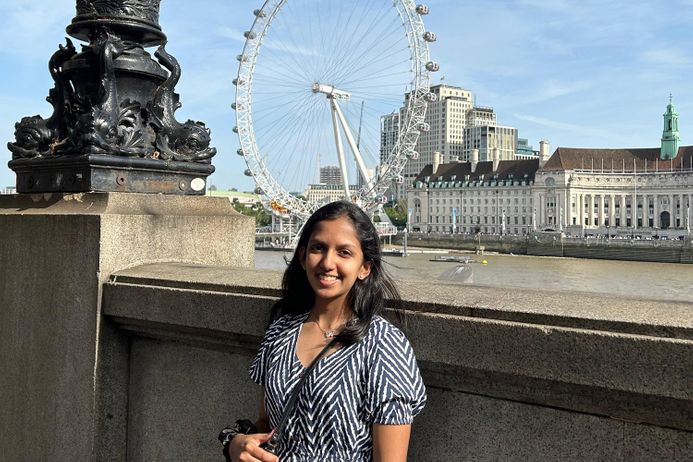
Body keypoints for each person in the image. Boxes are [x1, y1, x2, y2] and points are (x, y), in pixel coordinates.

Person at [225, 201, 426, 461]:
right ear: (302, 256)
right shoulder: (280, 331)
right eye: (318, 248)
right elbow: (267, 422)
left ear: (365, 267)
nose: (327, 262)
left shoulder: (384, 346)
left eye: (344, 252)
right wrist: (237, 444)